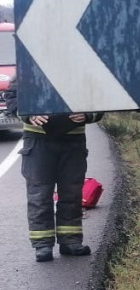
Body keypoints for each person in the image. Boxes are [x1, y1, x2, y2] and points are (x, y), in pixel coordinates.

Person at [19, 111, 104, 262]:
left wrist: (88, 115)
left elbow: (99, 98)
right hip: (37, 138)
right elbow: (14, 97)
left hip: (73, 139)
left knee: (72, 192)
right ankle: (43, 244)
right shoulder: (25, 84)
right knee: (39, 194)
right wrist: (29, 115)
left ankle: (70, 241)